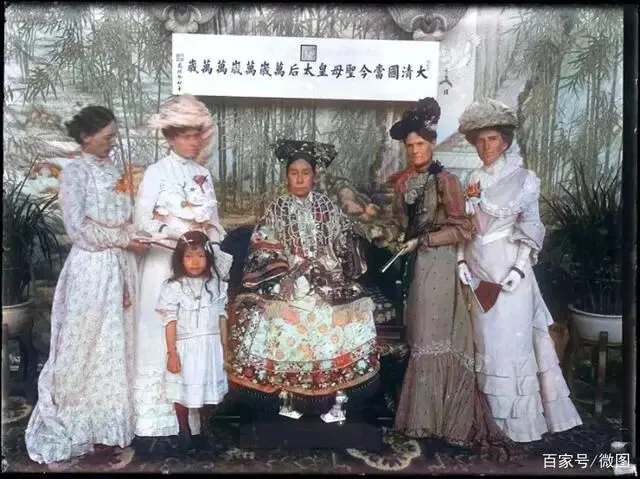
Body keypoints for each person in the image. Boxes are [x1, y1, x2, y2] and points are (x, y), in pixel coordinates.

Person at [388, 97, 514, 457]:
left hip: (440, 264)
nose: (415, 150)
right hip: (414, 265)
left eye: (421, 144)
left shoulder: (447, 181)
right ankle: (423, 418)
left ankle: (445, 422)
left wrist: (425, 240)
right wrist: (395, 236)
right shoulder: (403, 183)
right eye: (410, 146)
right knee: (419, 336)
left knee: (433, 337)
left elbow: (465, 228)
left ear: (432, 144)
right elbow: (398, 223)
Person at [25, 106, 149, 464]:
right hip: (92, 270)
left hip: (121, 268)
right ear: (85, 137)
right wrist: (122, 240)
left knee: (116, 345)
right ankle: (81, 425)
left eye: (114, 136)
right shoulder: (74, 173)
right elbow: (77, 228)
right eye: (107, 136)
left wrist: (137, 236)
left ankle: (110, 430)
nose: (113, 142)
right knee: (87, 345)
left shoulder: (114, 171)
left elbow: (125, 218)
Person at [456, 98, 582, 442]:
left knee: (509, 345)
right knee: (484, 343)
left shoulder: (524, 179)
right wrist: (461, 260)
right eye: (480, 140)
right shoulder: (471, 178)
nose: (486, 146)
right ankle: (485, 421)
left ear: (505, 142)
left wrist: (519, 269)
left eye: (493, 139)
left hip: (510, 269)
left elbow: (533, 225)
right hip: (478, 268)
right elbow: (466, 228)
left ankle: (515, 426)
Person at [227, 140, 380, 416]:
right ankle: (287, 398)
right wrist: (285, 275)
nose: (299, 179)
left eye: (305, 173)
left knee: (345, 317)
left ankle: (335, 396)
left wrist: (350, 240)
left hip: (326, 280)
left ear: (314, 176)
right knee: (276, 319)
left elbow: (341, 244)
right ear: (287, 176)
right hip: (287, 281)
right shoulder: (276, 208)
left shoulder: (327, 207)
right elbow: (263, 247)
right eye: (294, 173)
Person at [133, 95, 225, 439]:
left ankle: (195, 420)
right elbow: (142, 220)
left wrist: (208, 241)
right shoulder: (156, 172)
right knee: (162, 337)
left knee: (194, 339)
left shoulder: (203, 174)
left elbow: (214, 223)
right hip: (164, 268)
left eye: (197, 135)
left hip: (197, 272)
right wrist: (177, 231)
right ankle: (158, 423)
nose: (194, 142)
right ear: (171, 137)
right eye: (186, 136)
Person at [156, 230, 233, 450]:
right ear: (180, 259)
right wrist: (172, 353)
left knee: (209, 391)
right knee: (182, 391)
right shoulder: (174, 287)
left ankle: (206, 429)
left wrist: (225, 348)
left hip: (211, 347)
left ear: (208, 258)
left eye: (200, 256)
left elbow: (222, 317)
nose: (195, 262)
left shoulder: (216, 284)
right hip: (186, 348)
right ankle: (184, 432)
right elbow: (170, 321)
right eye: (188, 257)